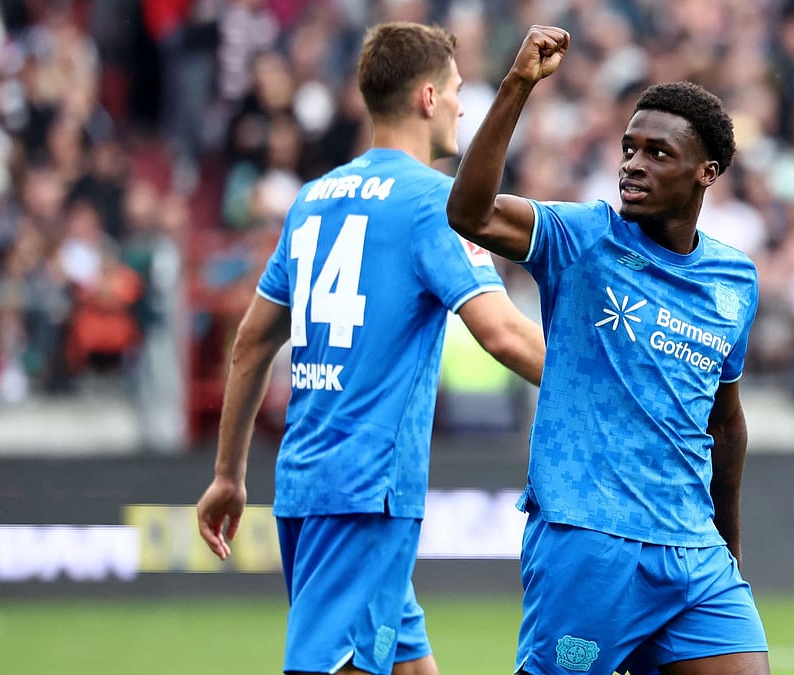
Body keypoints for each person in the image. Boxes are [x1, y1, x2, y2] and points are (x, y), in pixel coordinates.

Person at [195, 22, 545, 675]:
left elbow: (250, 343)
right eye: (460, 90)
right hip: (366, 491)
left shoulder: (312, 199)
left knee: (411, 665)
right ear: (428, 98)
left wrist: (227, 474)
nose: (465, 107)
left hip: (308, 484)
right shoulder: (435, 205)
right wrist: (612, 387)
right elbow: (501, 332)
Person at [447, 25, 770, 675]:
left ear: (706, 171)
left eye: (658, 153)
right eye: (629, 149)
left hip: (693, 553)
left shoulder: (735, 280)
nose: (633, 164)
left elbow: (725, 421)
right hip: (590, 545)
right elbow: (471, 213)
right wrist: (517, 86)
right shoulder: (581, 238)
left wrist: (728, 539)